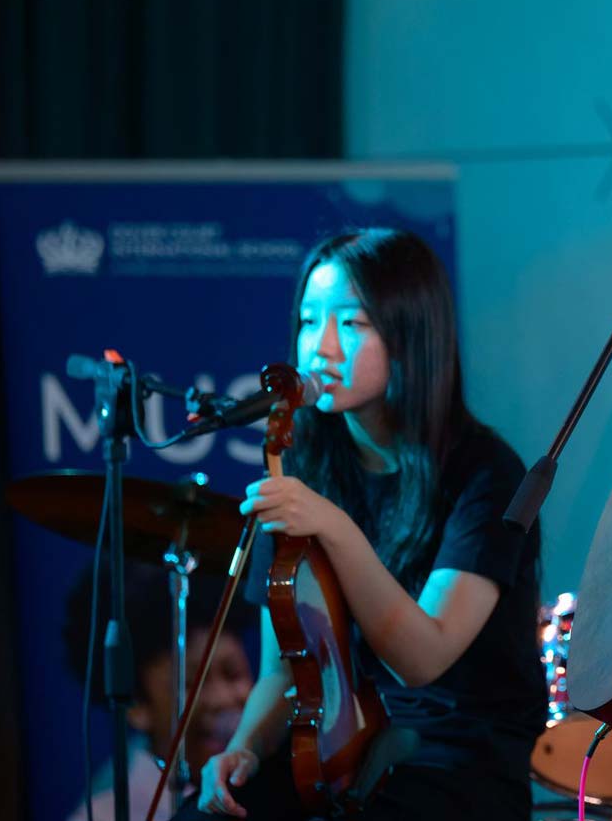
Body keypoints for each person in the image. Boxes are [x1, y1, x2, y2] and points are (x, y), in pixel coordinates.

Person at [173, 228, 545, 820]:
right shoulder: (303, 462)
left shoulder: (488, 473)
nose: (319, 347)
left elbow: (423, 658)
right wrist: (244, 747)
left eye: (351, 324)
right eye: (308, 320)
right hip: (339, 747)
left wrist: (336, 529)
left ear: (411, 334)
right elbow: (281, 666)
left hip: (455, 761)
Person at [61, 561, 256, 821]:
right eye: (191, 683)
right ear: (137, 704)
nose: (222, 699)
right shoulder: (108, 813)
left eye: (233, 674)